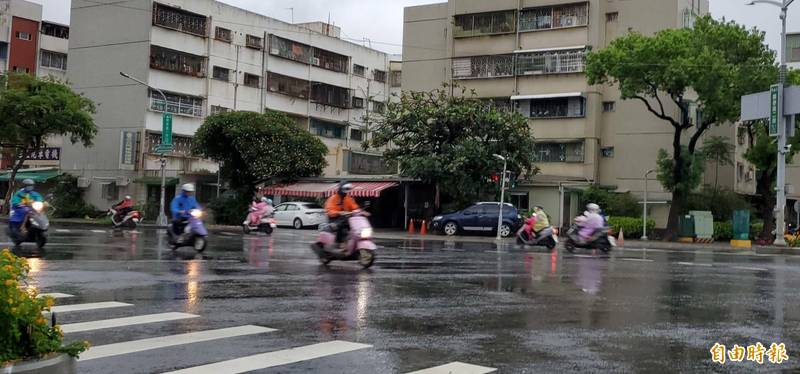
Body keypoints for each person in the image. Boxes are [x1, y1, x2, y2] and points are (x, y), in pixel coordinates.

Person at [324, 182, 361, 249]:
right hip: (334, 219)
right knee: (341, 225)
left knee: (355, 227)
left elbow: (354, 206)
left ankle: (352, 243)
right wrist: (339, 212)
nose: (346, 191)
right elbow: (329, 211)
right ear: (340, 189)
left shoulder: (348, 198)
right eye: (345, 189)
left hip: (345, 218)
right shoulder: (333, 198)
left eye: (348, 189)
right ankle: (339, 243)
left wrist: (359, 211)